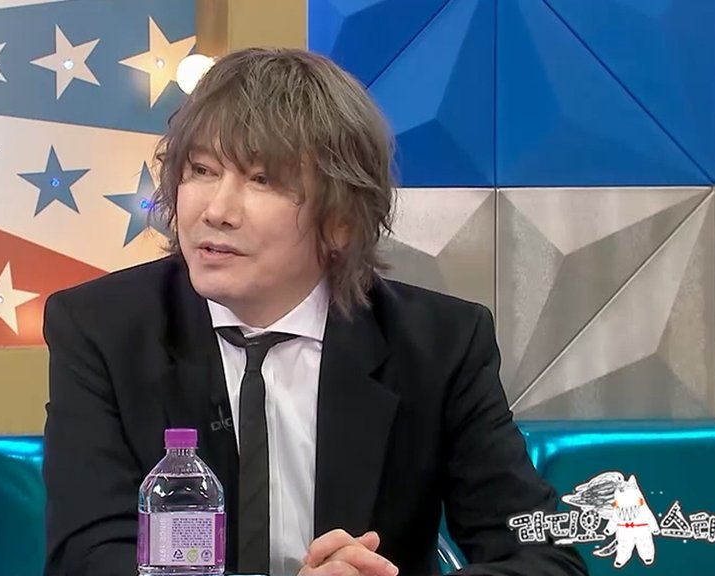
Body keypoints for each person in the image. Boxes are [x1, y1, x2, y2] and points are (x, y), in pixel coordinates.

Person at [41, 47, 588, 576]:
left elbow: (544, 557)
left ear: (341, 220)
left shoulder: (440, 346)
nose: (216, 210)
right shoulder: (101, 329)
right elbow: (87, 558)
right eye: (201, 170)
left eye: (262, 180)